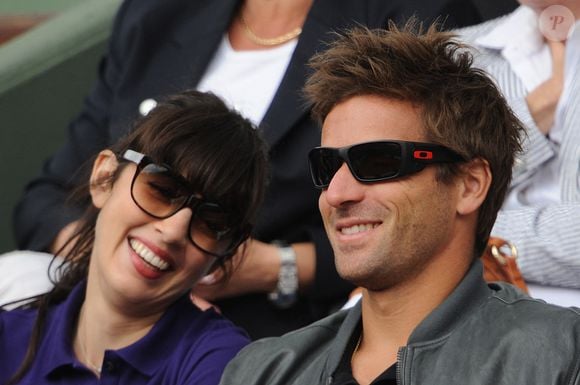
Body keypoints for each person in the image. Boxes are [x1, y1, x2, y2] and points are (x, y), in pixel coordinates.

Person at [9, 0, 516, 339]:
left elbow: (419, 212)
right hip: (97, 285)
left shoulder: (409, 16)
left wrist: (277, 268)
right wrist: (118, 263)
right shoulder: (158, 11)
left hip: (261, 317)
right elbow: (46, 194)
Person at [218, 23, 580, 385]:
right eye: (327, 167)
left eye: (377, 163)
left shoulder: (561, 356)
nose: (336, 194)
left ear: (469, 185)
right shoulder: (262, 371)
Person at [0, 90, 269, 384]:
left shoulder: (222, 365)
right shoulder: (9, 338)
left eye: (211, 222)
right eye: (162, 190)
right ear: (104, 178)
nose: (173, 230)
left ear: (226, 253)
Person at [456, 1, 580, 306]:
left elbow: (434, 215)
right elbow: (431, 186)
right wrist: (537, 110)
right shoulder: (453, 55)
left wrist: (465, 239)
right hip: (477, 314)